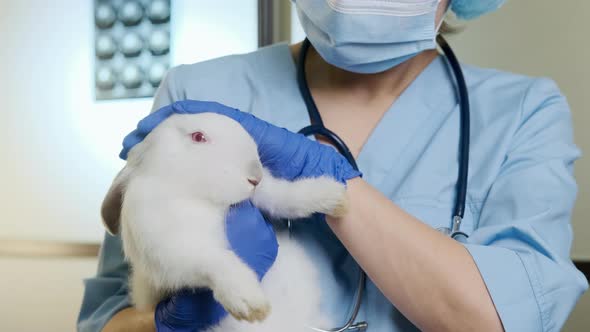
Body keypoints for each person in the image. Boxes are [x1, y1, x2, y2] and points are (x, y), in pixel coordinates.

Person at [78, 0, 588, 331]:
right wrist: (174, 322)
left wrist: (334, 186)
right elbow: (107, 319)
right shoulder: (198, 96)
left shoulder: (522, 112)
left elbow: (504, 320)